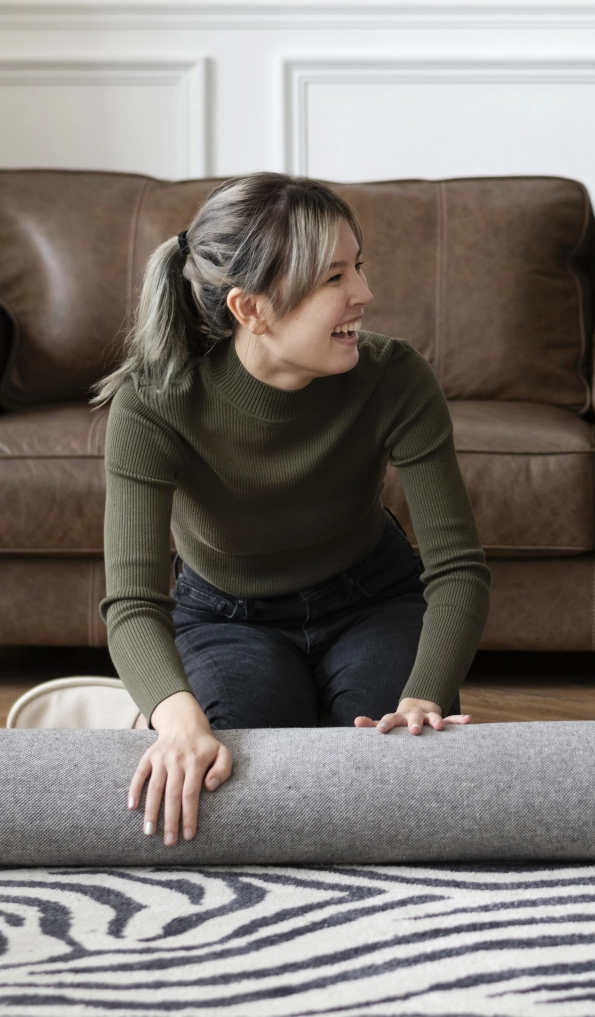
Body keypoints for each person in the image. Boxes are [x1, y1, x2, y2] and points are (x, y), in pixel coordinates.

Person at [95, 173, 489, 847]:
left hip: (372, 598)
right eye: (334, 277)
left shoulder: (393, 375)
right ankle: (151, 708)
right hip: (225, 615)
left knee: (396, 775)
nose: (364, 294)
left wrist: (426, 693)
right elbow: (131, 601)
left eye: (358, 266)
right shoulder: (154, 400)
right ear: (252, 309)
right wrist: (177, 715)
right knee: (236, 772)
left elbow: (457, 568)